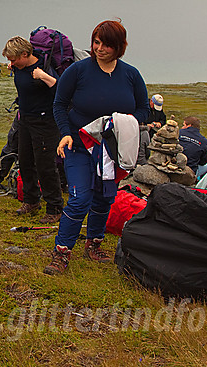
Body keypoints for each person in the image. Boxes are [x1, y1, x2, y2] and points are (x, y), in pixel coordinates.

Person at [46, 19, 149, 274]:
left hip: (112, 151)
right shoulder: (78, 71)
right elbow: (59, 104)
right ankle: (61, 253)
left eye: (106, 45)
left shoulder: (131, 74)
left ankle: (94, 245)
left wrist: (125, 124)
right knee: (80, 199)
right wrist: (66, 134)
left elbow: (143, 109)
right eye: (96, 42)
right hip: (79, 146)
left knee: (104, 199)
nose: (99, 48)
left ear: (119, 47)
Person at [2, 36, 63, 222]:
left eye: (13, 59)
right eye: (9, 60)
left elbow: (60, 91)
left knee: (45, 165)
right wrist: (14, 65)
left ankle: (54, 208)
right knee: (25, 161)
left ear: (25, 54)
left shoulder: (43, 69)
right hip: (26, 120)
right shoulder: (18, 66)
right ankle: (31, 200)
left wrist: (44, 77)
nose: (11, 63)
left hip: (45, 122)